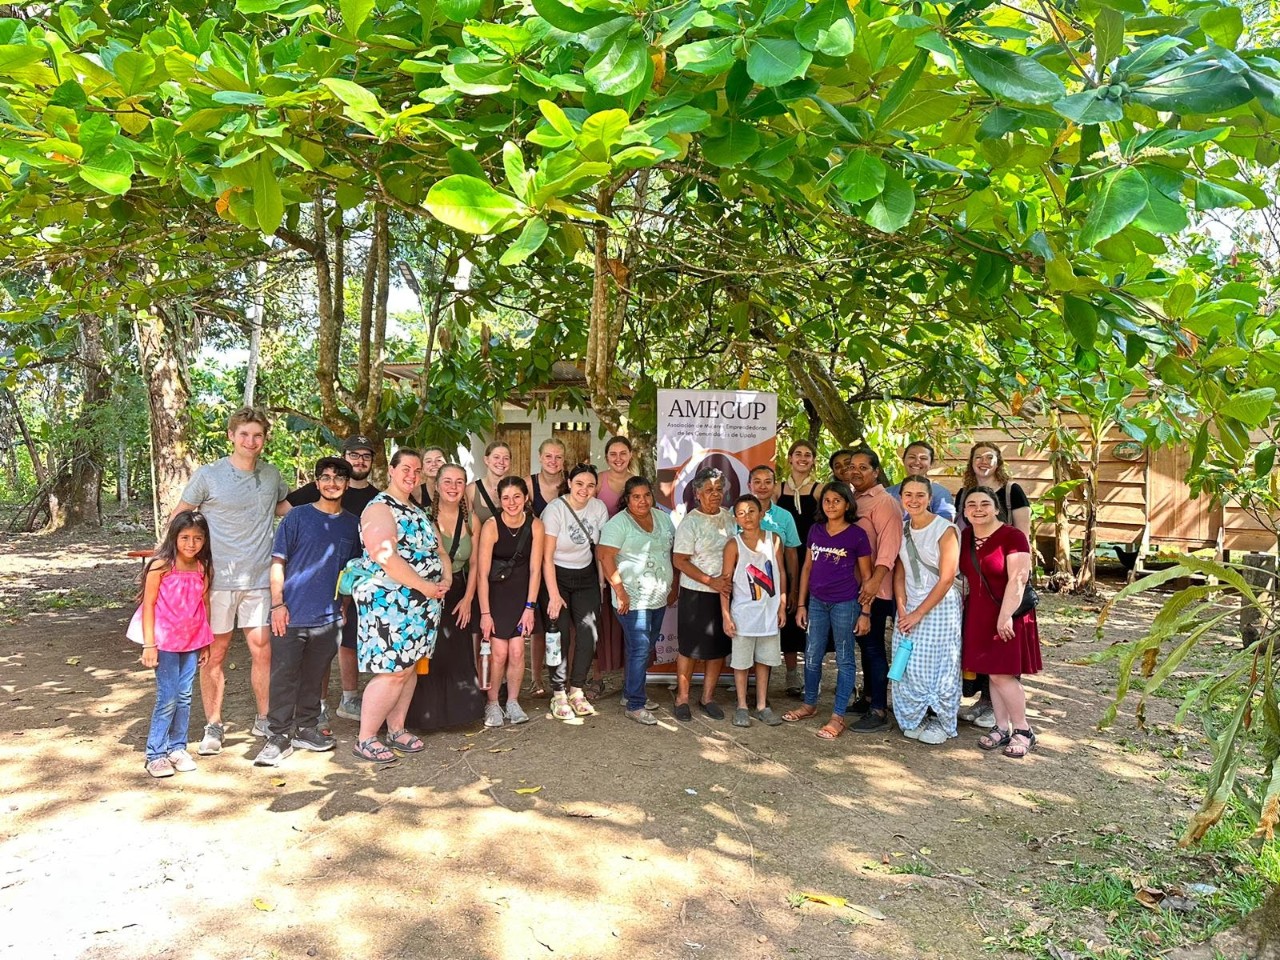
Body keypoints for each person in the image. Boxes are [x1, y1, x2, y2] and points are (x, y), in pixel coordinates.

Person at [173, 406, 291, 757]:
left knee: (262, 650)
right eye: (244, 435)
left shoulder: (271, 475)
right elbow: (179, 517)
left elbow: (285, 509)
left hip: (259, 579)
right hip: (217, 580)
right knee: (215, 653)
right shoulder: (209, 476)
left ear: (265, 439)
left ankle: (265, 718)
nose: (251, 441)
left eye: (257, 435)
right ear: (231, 436)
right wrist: (181, 564)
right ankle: (213, 724)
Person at [256, 458, 360, 767]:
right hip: (290, 614)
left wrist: (343, 607)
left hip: (328, 618)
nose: (332, 483)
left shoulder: (353, 524)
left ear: (346, 484)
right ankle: (277, 736)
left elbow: (350, 573)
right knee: (284, 676)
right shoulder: (297, 516)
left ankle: (306, 729)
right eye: (325, 477)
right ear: (317, 483)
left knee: (315, 677)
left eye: (338, 478)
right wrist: (277, 605)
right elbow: (278, 562)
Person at [350, 448, 450, 763]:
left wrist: (445, 579)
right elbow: (385, 555)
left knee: (408, 669)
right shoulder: (379, 507)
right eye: (406, 468)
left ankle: (396, 729)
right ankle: (365, 738)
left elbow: (440, 551)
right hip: (390, 602)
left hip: (422, 603)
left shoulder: (418, 510)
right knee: (392, 671)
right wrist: (423, 585)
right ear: (391, 470)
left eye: (417, 470)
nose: (412, 475)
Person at [286, 434, 381, 728]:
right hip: (321, 581)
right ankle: (319, 704)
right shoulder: (324, 488)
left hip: (363, 580)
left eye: (366, 456)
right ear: (344, 457)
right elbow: (284, 510)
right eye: (354, 455)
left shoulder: (379, 497)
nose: (360, 461)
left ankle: (349, 698)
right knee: (322, 645)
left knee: (350, 639)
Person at [129, 511, 214, 778]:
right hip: (164, 642)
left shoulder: (202, 567)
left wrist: (206, 642)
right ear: (174, 537)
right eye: (185, 537)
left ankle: (177, 748)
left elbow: (204, 605)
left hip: (191, 641)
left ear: (205, 540)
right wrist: (149, 644)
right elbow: (149, 604)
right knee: (168, 697)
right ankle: (155, 753)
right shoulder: (161, 566)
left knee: (185, 695)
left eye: (198, 538)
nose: (191, 543)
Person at [958, 487, 1042, 758]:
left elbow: (1018, 578)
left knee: (1002, 673)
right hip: (978, 613)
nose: (978, 509)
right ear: (964, 511)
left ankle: (1023, 730)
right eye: (971, 504)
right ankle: (1002, 726)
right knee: (991, 672)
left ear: (996, 509)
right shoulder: (966, 536)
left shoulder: (1012, 536)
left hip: (1008, 612)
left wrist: (1005, 616)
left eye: (985, 504)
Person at [784, 482, 873, 739]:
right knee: (812, 654)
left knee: (845, 658)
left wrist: (865, 612)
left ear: (847, 504)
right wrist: (802, 604)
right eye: (827, 500)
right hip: (816, 603)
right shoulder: (816, 530)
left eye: (837, 500)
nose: (831, 505)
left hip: (845, 603)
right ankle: (809, 704)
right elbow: (807, 568)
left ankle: (837, 716)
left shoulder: (857, 535)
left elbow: (867, 576)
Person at [954, 442, 1032, 728]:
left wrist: (1008, 608)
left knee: (1003, 663)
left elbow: (1023, 540)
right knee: (985, 657)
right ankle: (992, 711)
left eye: (990, 457)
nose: (984, 462)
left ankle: (1019, 726)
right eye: (979, 457)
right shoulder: (964, 500)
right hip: (977, 592)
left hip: (1006, 586)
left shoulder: (1012, 492)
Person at [407, 463, 486, 730]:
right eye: (448, 482)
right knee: (430, 653)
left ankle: (458, 715)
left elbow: (475, 564)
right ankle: (425, 716)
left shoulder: (472, 520)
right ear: (437, 486)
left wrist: (468, 599)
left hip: (460, 591)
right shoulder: (424, 517)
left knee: (457, 652)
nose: (453, 487)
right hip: (429, 591)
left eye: (459, 482)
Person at [598, 477, 677, 725]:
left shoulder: (663, 518)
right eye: (636, 497)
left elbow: (671, 552)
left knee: (644, 647)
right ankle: (635, 704)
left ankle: (629, 693)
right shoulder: (618, 523)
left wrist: (673, 585)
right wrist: (620, 591)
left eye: (646, 495)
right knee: (640, 648)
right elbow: (605, 556)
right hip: (631, 599)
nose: (642, 501)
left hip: (658, 597)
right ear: (627, 499)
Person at [890, 476, 962, 745]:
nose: (914, 500)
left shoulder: (945, 529)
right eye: (908, 494)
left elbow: (946, 578)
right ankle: (915, 716)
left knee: (940, 662)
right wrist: (902, 607)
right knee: (910, 663)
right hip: (909, 604)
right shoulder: (902, 528)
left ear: (930, 498)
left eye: (920, 495)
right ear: (901, 498)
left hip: (939, 605)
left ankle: (940, 719)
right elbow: (899, 571)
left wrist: (918, 613)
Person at [541, 463, 609, 720]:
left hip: (586, 576)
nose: (584, 489)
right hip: (556, 575)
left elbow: (600, 551)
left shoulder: (598, 508)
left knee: (588, 633)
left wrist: (601, 584)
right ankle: (558, 692)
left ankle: (576, 689)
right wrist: (553, 594)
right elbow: (547, 556)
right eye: (579, 483)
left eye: (590, 485)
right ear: (569, 483)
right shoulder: (555, 509)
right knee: (558, 635)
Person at [476, 476, 545, 727]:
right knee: (499, 652)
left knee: (517, 651)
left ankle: (513, 701)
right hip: (495, 596)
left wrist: (530, 607)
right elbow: (482, 574)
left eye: (517, 496)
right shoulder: (491, 526)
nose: (512, 502)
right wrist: (485, 613)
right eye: (506, 498)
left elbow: (536, 570)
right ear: (500, 499)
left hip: (521, 595)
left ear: (525, 497)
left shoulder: (535, 525)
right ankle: (492, 702)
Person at [845, 447, 904, 733]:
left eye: (863, 467)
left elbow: (889, 548)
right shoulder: (853, 500)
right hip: (854, 586)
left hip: (876, 589)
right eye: (852, 467)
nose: (856, 471)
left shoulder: (884, 503)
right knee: (864, 645)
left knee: (873, 647)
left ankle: (879, 709)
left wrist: (874, 582)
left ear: (876, 471)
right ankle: (868, 698)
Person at [672, 467, 736, 722]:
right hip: (696, 593)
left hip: (723, 594)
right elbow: (680, 560)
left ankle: (707, 698)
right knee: (689, 649)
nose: (715, 494)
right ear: (697, 494)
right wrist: (711, 581)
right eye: (709, 490)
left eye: (719, 489)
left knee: (717, 648)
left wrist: (723, 584)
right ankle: (682, 698)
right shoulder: (690, 522)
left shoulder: (730, 518)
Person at [721, 495, 786, 728]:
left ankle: (761, 705)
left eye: (751, 511)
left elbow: (781, 573)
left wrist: (782, 605)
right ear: (735, 518)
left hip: (769, 614)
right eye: (741, 513)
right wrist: (726, 615)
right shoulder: (733, 545)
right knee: (741, 663)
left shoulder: (774, 539)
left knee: (764, 661)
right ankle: (741, 705)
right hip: (743, 615)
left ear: (761, 514)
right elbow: (725, 584)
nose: (746, 516)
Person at [776, 441, 819, 696]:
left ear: (813, 460)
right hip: (785, 557)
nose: (803, 458)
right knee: (790, 617)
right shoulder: (777, 488)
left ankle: (813, 673)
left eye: (808, 455)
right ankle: (791, 674)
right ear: (790, 458)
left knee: (814, 617)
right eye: (798, 454)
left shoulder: (819, 489)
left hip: (814, 558)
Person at [595, 435, 636, 695]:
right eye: (613, 454)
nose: (618, 458)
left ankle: (629, 682)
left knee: (628, 619)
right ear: (606, 456)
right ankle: (596, 677)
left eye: (623, 453)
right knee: (601, 619)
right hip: (601, 557)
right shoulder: (598, 481)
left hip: (630, 559)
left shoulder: (637, 482)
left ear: (630, 455)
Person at [526, 439, 567, 695]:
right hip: (537, 558)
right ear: (540, 457)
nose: (553, 461)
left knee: (567, 623)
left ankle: (566, 677)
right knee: (540, 623)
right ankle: (536, 678)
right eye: (549, 456)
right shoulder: (529, 484)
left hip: (567, 560)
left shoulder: (571, 484)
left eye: (558, 457)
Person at [887, 442, 955, 521]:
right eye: (912, 457)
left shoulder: (941, 493)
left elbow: (945, 524)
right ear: (903, 460)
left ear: (931, 464)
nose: (917, 462)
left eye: (923, 458)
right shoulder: (888, 493)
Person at [467, 440, 512, 526]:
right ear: (486, 460)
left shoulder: (516, 488)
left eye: (506, 458)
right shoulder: (472, 490)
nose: (501, 462)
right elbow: (466, 525)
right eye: (496, 457)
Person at [413, 445, 448, 509]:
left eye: (439, 460)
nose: (434, 464)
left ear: (447, 465)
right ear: (422, 468)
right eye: (428, 461)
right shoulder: (415, 493)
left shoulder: (458, 489)